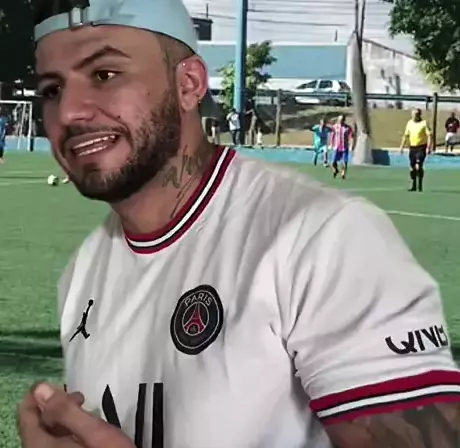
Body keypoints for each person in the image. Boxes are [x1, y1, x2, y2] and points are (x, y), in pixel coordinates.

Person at [20, 0, 460, 447]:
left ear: (189, 84)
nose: (69, 112)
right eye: (52, 90)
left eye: (104, 74)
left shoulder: (326, 237)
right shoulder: (81, 274)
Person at [400, 108, 432, 192]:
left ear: (419, 115)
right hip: (412, 148)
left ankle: (420, 185)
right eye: (413, 114)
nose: (414, 116)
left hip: (421, 147)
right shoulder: (409, 123)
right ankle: (413, 185)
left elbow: (429, 135)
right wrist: (402, 146)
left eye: (416, 114)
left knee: (418, 166)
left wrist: (428, 147)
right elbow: (406, 135)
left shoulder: (424, 123)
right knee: (412, 168)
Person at [331, 114, 354, 179]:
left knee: (344, 162)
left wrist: (351, 145)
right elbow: (332, 135)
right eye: (340, 119)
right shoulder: (335, 127)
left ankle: (343, 174)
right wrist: (331, 144)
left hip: (344, 147)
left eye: (342, 119)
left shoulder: (347, 128)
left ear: (344, 120)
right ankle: (336, 170)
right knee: (333, 162)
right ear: (338, 120)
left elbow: (351, 136)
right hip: (336, 147)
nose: (341, 121)